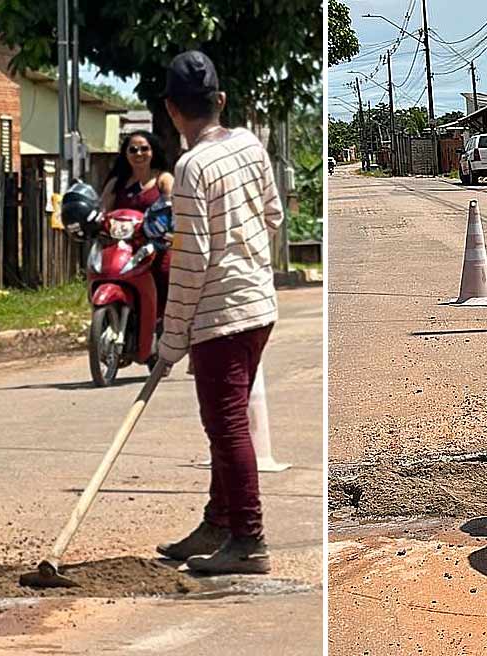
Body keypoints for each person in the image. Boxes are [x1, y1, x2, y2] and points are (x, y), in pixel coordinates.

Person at [154, 50, 284, 575]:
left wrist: (169, 342)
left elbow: (191, 262)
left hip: (221, 316)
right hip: (259, 304)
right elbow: (273, 214)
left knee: (226, 424)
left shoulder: (190, 167)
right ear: (221, 101)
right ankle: (218, 521)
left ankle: (248, 538)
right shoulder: (250, 145)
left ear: (171, 109)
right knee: (227, 421)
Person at [100, 131, 175, 318]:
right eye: (133, 149)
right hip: (122, 246)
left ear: (153, 152)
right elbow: (103, 211)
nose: (138, 153)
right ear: (125, 154)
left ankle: (164, 321)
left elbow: (174, 206)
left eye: (144, 149)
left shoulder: (163, 179)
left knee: (166, 272)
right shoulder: (116, 183)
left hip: (156, 246)